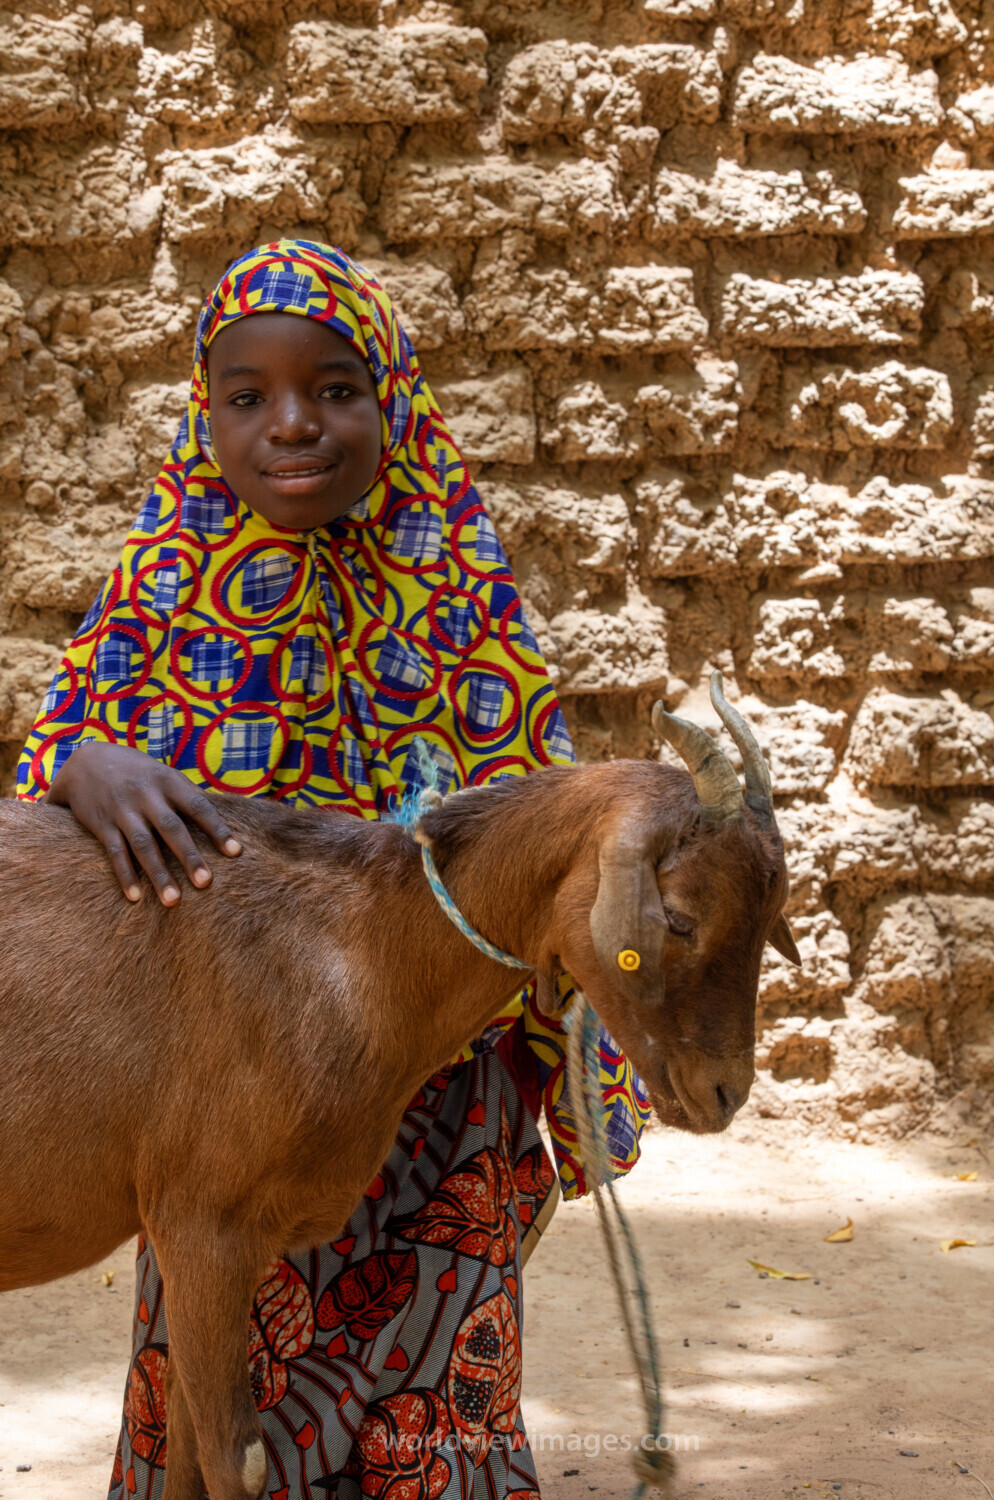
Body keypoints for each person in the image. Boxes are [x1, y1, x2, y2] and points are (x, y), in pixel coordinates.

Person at [18, 240, 650, 1500]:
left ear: (394, 401)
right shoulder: (161, 595)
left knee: (424, 1415)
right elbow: (53, 779)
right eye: (245, 396)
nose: (291, 423)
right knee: (217, 1395)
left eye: (336, 388)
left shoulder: (466, 607)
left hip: (436, 1101)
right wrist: (82, 761)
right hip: (217, 1100)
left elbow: (554, 866)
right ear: (208, 419)